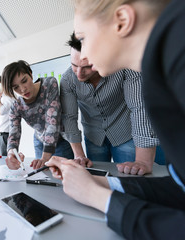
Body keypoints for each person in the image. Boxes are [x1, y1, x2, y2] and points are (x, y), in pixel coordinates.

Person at [47, 0, 185, 239]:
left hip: (123, 132)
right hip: (94, 133)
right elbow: (180, 189)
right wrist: (98, 184)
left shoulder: (177, 48)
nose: (84, 54)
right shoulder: (164, 60)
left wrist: (96, 197)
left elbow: (138, 109)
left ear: (122, 21)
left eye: (84, 38)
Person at [61, 32, 165, 175]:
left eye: (86, 67)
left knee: (131, 178)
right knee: (97, 177)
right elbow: (69, 117)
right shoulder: (67, 80)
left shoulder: (125, 68)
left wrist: (142, 160)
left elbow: (139, 108)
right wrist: (79, 155)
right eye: (74, 65)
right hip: (94, 136)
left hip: (125, 134)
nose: (79, 74)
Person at [1, 60, 73, 170]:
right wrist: (11, 152)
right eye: (16, 87)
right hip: (39, 141)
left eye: (24, 81)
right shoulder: (16, 105)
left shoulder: (49, 84)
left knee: (67, 175)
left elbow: (52, 121)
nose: (22, 89)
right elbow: (13, 133)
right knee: (44, 176)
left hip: (61, 139)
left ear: (30, 73)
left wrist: (45, 158)